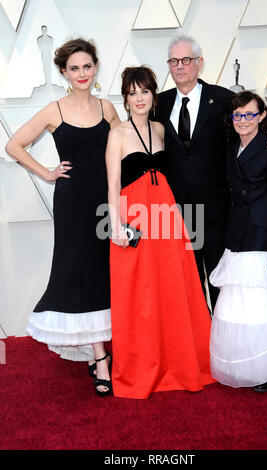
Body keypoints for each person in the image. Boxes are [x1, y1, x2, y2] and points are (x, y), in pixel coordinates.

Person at [5, 38, 120, 396]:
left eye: (87, 66)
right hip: (72, 203)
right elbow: (13, 145)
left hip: (105, 201)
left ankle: (94, 346)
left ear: (96, 68)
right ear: (64, 73)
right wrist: (47, 172)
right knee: (77, 272)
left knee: (101, 272)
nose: (82, 74)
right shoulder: (54, 109)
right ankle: (101, 357)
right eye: (74, 68)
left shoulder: (108, 109)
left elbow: (123, 152)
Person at [154, 34, 267, 310]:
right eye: (174, 61)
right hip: (178, 211)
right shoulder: (159, 104)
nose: (180, 66)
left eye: (186, 60)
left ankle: (221, 339)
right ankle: (199, 345)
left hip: (218, 209)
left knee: (221, 283)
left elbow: (249, 123)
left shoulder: (223, 99)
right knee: (187, 285)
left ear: (199, 63)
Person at [105, 66, 215, 399]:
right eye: (132, 92)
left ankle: (181, 363)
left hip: (168, 218)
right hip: (134, 218)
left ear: (154, 95)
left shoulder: (162, 128)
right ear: (125, 98)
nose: (139, 98)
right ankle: (141, 368)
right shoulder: (118, 134)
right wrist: (115, 226)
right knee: (139, 295)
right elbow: (112, 184)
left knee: (173, 289)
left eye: (145, 92)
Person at [209, 90, 267, 393]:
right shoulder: (231, 145)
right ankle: (245, 361)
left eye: (250, 114)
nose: (243, 120)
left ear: (262, 116)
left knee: (260, 305)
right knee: (236, 306)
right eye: (238, 115)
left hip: (263, 233)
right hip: (237, 233)